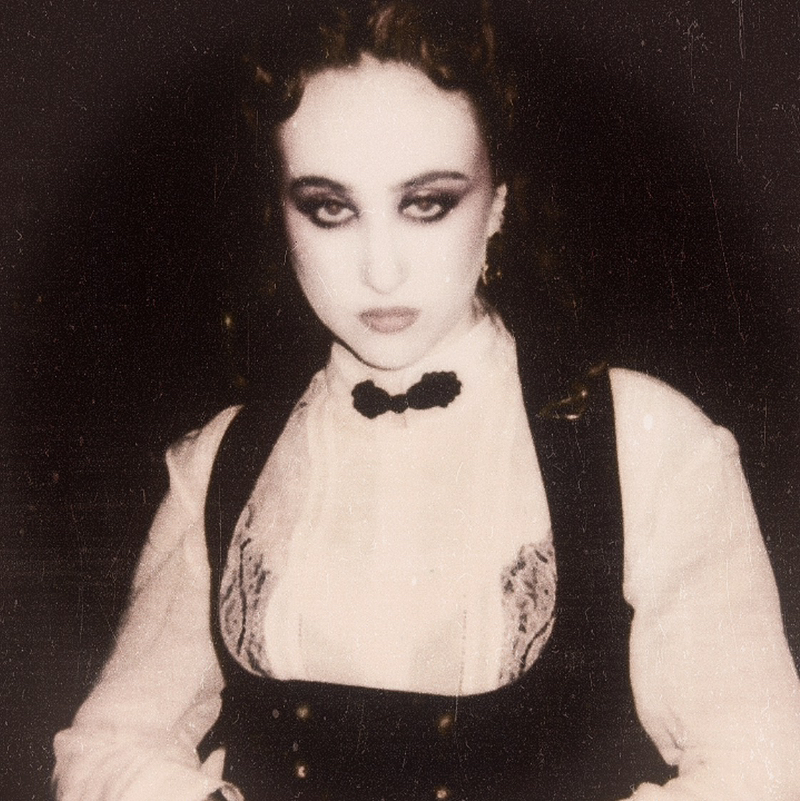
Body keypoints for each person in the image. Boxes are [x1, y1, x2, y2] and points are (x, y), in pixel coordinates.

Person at [53, 1, 800, 799]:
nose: (381, 270)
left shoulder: (648, 442)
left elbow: (767, 764)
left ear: (498, 203)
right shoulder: (223, 460)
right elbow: (105, 747)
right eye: (330, 208)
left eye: (427, 203)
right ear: (282, 216)